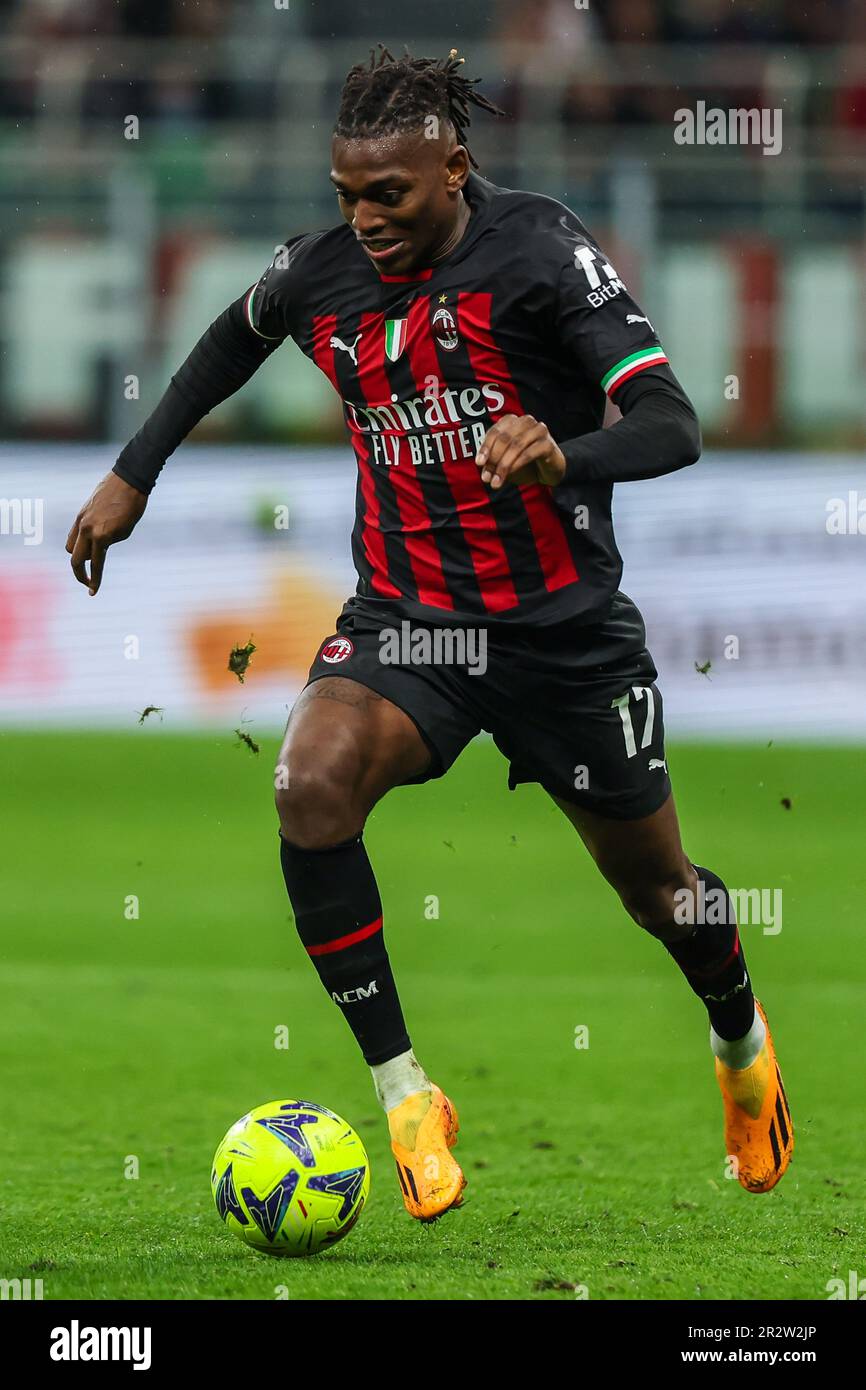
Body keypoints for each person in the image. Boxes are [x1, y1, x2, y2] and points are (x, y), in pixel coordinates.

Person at [67, 45, 793, 1222]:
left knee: (661, 893)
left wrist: (566, 451)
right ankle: (405, 1094)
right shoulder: (322, 272)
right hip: (408, 623)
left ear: (453, 170)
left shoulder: (542, 252)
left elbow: (669, 422)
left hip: (563, 641)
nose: (361, 220)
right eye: (345, 194)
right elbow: (227, 339)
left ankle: (737, 1033)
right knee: (308, 786)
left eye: (387, 195)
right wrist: (132, 474)